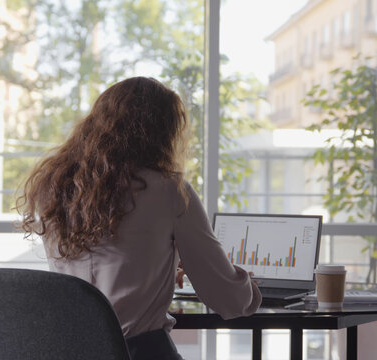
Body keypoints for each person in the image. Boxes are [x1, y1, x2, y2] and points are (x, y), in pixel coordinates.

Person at [16, 76, 261, 360]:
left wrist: (159, 270)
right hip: (137, 353)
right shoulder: (169, 190)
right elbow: (227, 298)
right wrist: (250, 287)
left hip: (66, 350)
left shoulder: (55, 187)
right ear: (161, 133)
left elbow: (103, 267)